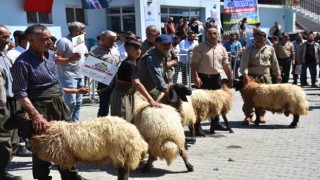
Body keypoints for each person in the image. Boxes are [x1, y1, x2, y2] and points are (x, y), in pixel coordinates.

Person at [11, 24, 86, 180]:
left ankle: (70, 174)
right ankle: (42, 176)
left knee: (66, 140)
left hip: (57, 103)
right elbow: (20, 93)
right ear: (31, 40)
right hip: (38, 107)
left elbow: (55, 82)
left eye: (50, 39)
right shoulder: (22, 62)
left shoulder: (50, 55)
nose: (50, 42)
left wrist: (62, 101)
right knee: (42, 144)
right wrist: (35, 115)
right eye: (44, 39)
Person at [191, 27, 233, 136]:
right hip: (203, 78)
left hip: (216, 78)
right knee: (200, 104)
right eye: (209, 33)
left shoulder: (222, 49)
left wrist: (230, 78)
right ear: (205, 35)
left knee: (217, 103)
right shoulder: (199, 48)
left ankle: (216, 123)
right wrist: (196, 77)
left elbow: (226, 65)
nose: (212, 35)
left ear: (218, 34)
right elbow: (194, 64)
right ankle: (197, 127)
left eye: (214, 33)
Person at [110, 40, 161, 122]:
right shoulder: (129, 64)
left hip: (126, 95)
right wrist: (151, 100)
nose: (139, 51)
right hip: (122, 96)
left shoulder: (130, 63)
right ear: (127, 49)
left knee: (128, 121)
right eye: (135, 48)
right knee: (123, 123)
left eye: (139, 48)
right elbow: (137, 83)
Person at [240, 30, 282, 125]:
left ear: (265, 39)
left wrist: (278, 74)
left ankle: (261, 115)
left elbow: (274, 63)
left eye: (260, 38)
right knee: (249, 98)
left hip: (265, 76)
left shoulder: (270, 49)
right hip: (251, 77)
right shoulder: (248, 49)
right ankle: (249, 115)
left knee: (265, 97)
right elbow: (244, 64)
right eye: (256, 38)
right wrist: (245, 75)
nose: (258, 40)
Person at [0, 25, 22, 180]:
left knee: (14, 140)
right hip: (2, 105)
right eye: (4, 37)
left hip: (12, 102)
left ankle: (2, 170)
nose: (7, 41)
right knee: (4, 142)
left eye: (8, 37)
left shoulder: (4, 56)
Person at [6, 32, 32, 158]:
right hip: (15, 93)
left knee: (24, 119)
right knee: (18, 120)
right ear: (24, 41)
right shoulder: (13, 54)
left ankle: (22, 144)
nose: (8, 41)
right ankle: (21, 146)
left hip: (24, 91)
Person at [55, 21, 88, 122]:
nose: (85, 33)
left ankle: (75, 125)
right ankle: (66, 125)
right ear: (78, 32)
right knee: (70, 104)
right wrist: (71, 59)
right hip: (68, 76)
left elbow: (83, 56)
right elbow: (56, 60)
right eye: (83, 30)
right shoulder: (63, 41)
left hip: (80, 75)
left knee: (78, 103)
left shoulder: (79, 41)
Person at [90, 30, 121, 117]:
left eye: (114, 40)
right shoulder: (94, 52)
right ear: (102, 40)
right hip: (104, 83)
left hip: (117, 81)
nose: (113, 42)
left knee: (117, 106)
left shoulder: (115, 50)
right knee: (104, 108)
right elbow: (90, 69)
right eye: (110, 40)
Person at [138, 34, 176, 99]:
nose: (167, 47)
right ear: (155, 44)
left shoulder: (162, 54)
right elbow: (157, 76)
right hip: (145, 92)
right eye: (163, 44)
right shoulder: (151, 57)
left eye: (169, 44)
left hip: (154, 90)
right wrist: (168, 93)